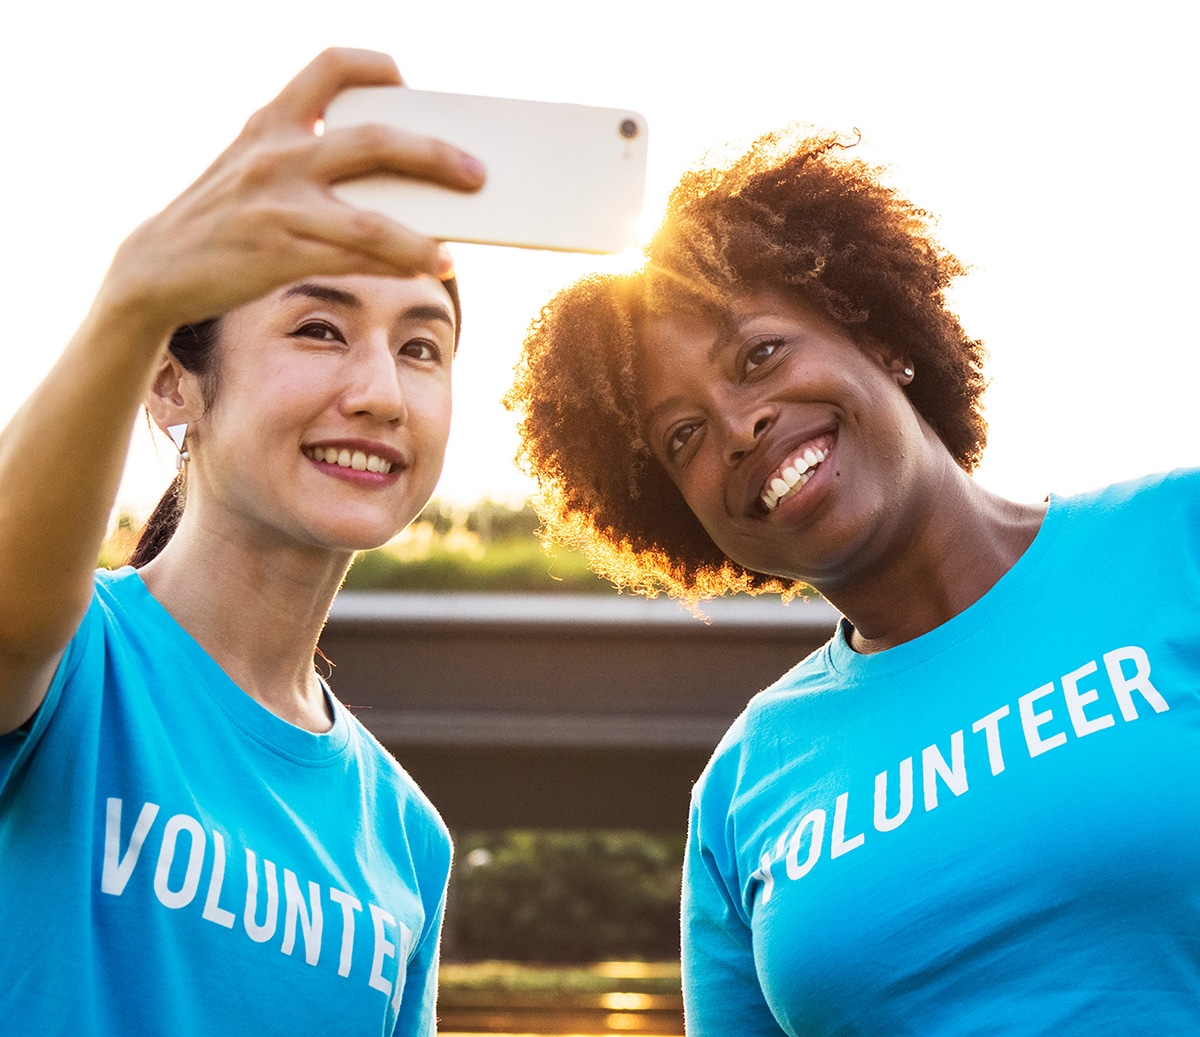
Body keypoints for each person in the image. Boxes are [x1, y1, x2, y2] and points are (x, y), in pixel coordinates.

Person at [507, 128, 1200, 1034]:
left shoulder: (1174, 541)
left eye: (759, 356)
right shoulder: (742, 791)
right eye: (684, 437)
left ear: (882, 338)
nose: (742, 425)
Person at [0, 49, 486, 1035]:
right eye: (317, 327)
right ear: (173, 383)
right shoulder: (65, 666)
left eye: (421, 346)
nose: (381, 393)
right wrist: (135, 296)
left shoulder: (406, 838)